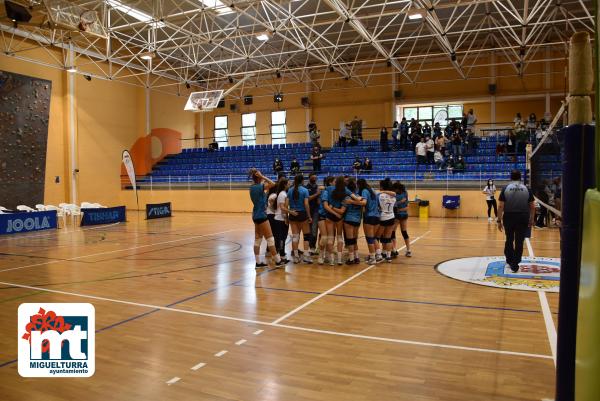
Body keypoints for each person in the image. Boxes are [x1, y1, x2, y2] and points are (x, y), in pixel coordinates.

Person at [497, 170, 535, 273]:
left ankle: (509, 259)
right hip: (523, 217)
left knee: (509, 239)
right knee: (519, 241)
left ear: (511, 177)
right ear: (520, 177)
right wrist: (531, 219)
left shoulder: (505, 189)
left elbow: (500, 206)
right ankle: (515, 263)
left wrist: (499, 220)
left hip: (509, 216)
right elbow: (532, 206)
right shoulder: (527, 189)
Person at [248, 169, 284, 268]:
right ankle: (278, 261)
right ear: (259, 178)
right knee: (270, 239)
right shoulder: (260, 186)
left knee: (258, 240)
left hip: (255, 215)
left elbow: (262, 196)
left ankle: (258, 262)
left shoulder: (252, 188)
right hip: (262, 215)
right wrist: (263, 176)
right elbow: (273, 184)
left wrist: (260, 178)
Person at [286, 174, 313, 264]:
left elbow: (286, 206)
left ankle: (296, 257)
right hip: (302, 214)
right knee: (306, 236)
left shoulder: (290, 190)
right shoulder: (305, 190)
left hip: (293, 214)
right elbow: (306, 204)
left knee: (295, 237)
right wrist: (309, 216)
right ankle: (305, 256)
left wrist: (287, 216)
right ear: (302, 181)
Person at [324, 176, 348, 266]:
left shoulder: (328, 189)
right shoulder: (344, 191)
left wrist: (332, 208)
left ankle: (331, 260)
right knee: (339, 236)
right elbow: (343, 209)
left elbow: (326, 204)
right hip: (340, 216)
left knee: (330, 237)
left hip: (329, 215)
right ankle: (339, 259)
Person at [342, 178, 365, 264]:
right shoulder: (359, 197)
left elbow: (343, 210)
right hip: (357, 220)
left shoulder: (347, 197)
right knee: (354, 240)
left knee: (350, 240)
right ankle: (357, 257)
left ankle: (351, 258)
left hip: (349, 219)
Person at [358, 178, 380, 265]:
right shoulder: (373, 190)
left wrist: (352, 201)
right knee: (374, 238)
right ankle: (378, 255)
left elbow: (364, 202)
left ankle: (372, 258)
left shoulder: (364, 191)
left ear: (359, 185)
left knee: (369, 238)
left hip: (369, 217)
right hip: (377, 216)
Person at [377, 178, 396, 263]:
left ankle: (378, 254)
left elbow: (377, 206)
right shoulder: (393, 195)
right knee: (388, 238)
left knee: (377, 237)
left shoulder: (379, 195)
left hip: (383, 216)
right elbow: (394, 194)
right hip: (391, 216)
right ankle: (388, 256)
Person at [317, 176, 335, 264]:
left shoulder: (335, 192)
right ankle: (321, 256)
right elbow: (325, 206)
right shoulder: (325, 192)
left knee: (331, 237)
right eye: (334, 181)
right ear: (330, 183)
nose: (336, 183)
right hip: (323, 215)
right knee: (324, 237)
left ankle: (329, 255)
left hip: (330, 216)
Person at [393, 181, 411, 257]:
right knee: (403, 232)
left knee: (393, 232)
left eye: (395, 189)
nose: (394, 190)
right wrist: (402, 205)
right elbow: (406, 204)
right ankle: (408, 250)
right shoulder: (405, 192)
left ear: (397, 188)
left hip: (399, 214)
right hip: (403, 214)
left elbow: (394, 204)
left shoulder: (395, 194)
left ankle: (394, 250)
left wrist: (400, 206)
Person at [273, 178, 290, 260]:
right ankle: (281, 256)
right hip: (280, 219)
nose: (289, 185)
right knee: (281, 238)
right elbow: (283, 208)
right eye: (288, 183)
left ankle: (281, 254)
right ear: (284, 185)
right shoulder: (283, 194)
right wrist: (291, 212)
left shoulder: (282, 193)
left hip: (281, 219)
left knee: (282, 238)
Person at [305, 173, 321, 255]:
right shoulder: (306, 187)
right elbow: (308, 199)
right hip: (308, 211)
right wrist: (317, 194)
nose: (315, 178)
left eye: (316, 177)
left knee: (315, 230)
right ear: (309, 177)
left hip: (316, 211)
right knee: (310, 230)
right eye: (313, 177)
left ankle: (315, 247)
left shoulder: (317, 187)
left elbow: (318, 200)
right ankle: (310, 247)